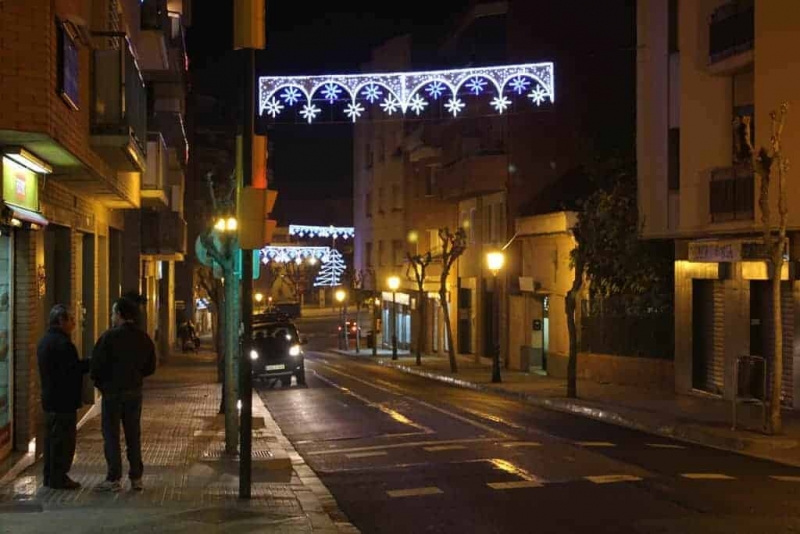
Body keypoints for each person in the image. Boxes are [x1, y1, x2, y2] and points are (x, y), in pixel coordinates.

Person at [91, 298, 156, 492]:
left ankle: (114, 478)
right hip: (133, 392)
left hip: (112, 394)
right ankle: (136, 477)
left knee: (111, 435)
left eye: (113, 313)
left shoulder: (108, 338)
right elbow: (150, 367)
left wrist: (102, 385)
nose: (112, 317)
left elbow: (96, 367)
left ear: (119, 313)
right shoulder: (143, 338)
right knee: (133, 435)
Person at [37, 304, 90, 490]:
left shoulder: (45, 340)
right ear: (61, 321)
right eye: (71, 319)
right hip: (63, 400)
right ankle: (59, 477)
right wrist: (91, 363)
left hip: (50, 398)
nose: (74, 322)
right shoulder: (63, 344)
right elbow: (72, 370)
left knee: (51, 440)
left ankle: (50, 476)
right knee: (63, 441)